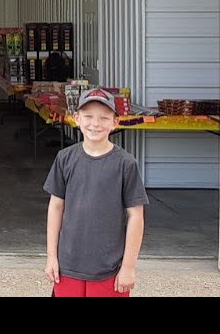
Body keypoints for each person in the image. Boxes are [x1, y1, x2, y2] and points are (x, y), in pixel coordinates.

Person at [43, 87, 148, 297]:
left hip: (108, 267)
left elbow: (136, 216)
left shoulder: (125, 164)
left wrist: (128, 267)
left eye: (103, 118)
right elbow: (56, 206)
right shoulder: (65, 159)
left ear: (115, 122)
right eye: (88, 116)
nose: (95, 124)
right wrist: (51, 256)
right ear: (76, 118)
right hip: (68, 265)